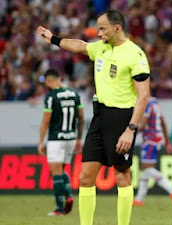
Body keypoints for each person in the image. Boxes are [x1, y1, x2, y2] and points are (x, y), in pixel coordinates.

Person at [36, 9, 150, 225]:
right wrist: (53, 38)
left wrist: (131, 129)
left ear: (117, 28)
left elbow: (144, 96)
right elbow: (79, 45)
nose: (98, 33)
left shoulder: (135, 55)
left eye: (102, 29)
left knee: (122, 177)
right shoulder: (100, 49)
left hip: (123, 119)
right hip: (100, 118)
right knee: (85, 177)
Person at [38, 68, 84, 216]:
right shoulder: (74, 94)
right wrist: (78, 138)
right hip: (70, 138)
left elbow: (46, 121)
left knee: (56, 173)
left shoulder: (51, 96)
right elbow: (81, 119)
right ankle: (66, 202)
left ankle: (62, 204)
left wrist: (40, 142)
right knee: (62, 170)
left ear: (49, 80)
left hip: (56, 139)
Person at [133, 97, 172, 206]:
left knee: (148, 168)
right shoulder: (154, 103)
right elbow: (163, 123)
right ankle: (139, 199)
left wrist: (129, 132)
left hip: (150, 140)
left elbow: (143, 124)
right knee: (145, 169)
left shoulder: (145, 103)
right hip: (156, 139)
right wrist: (167, 142)